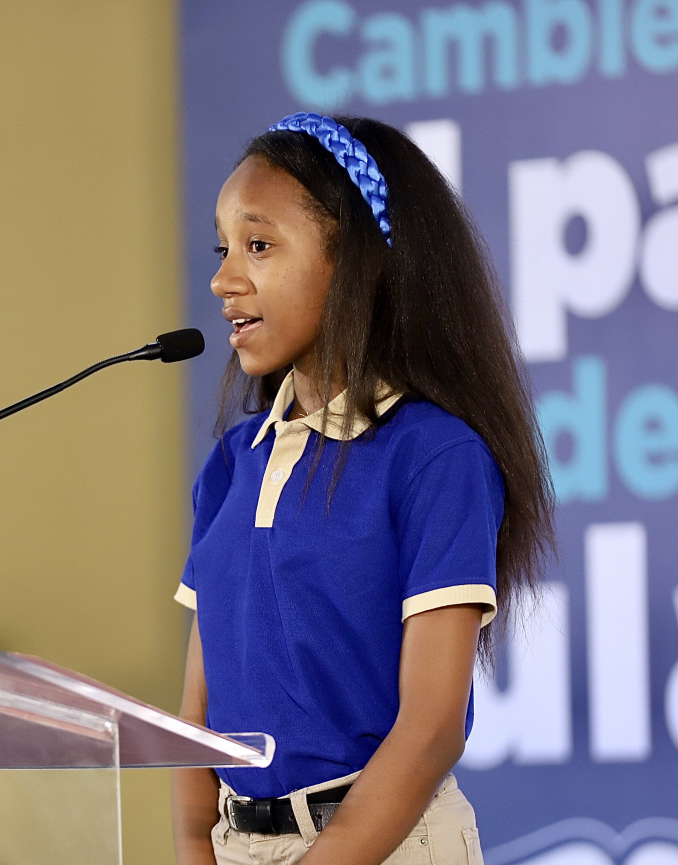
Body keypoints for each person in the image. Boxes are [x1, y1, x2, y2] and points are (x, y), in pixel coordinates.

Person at [171, 113, 555, 865]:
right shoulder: (231, 466)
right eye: (223, 249)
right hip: (235, 842)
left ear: (358, 262)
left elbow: (431, 729)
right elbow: (198, 716)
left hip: (389, 844)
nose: (223, 280)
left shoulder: (434, 456)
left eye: (259, 245)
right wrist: (196, 848)